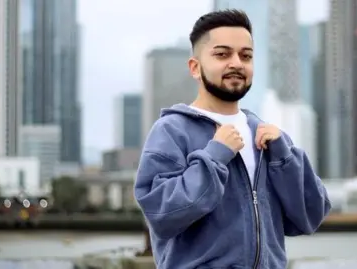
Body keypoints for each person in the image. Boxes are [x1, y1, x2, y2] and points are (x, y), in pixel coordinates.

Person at [134, 9, 331, 269]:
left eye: (246, 56)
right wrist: (215, 155)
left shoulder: (267, 136)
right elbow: (161, 214)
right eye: (222, 54)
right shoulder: (171, 131)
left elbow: (310, 215)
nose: (236, 63)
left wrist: (285, 158)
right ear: (195, 67)